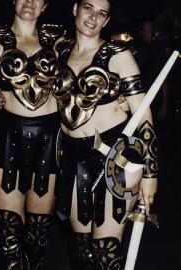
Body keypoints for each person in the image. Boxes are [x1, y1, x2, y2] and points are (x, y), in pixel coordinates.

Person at [51, 0, 158, 269]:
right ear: (75, 8)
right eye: (88, 8)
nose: (93, 18)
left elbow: (143, 115)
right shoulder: (59, 51)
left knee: (105, 251)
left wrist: (150, 174)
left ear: (107, 20)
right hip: (73, 159)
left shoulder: (118, 55)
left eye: (102, 14)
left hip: (116, 159)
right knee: (83, 251)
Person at [0, 0, 67, 269]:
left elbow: (88, 67)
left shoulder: (58, 40)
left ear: (46, 6)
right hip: (7, 143)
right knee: (8, 235)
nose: (30, 2)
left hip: (49, 144)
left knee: (38, 236)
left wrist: (117, 99)